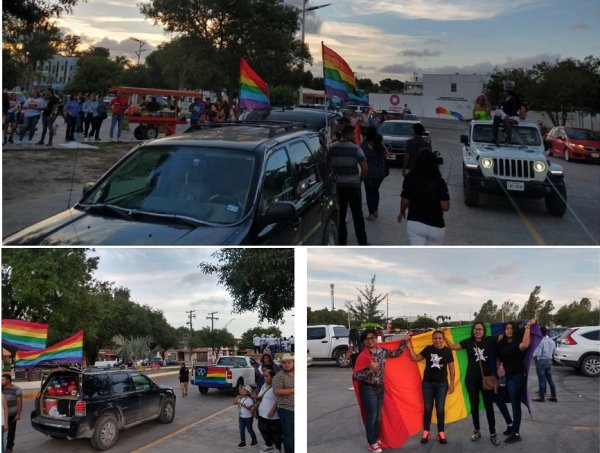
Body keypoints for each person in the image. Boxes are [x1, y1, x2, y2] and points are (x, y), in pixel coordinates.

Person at [443, 322, 500, 446]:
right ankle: (477, 430)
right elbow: (452, 346)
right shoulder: (468, 342)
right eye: (475, 329)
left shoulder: (490, 340)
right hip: (472, 379)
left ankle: (493, 433)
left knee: (489, 406)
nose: (478, 331)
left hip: (487, 379)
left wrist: (524, 327)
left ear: (484, 331)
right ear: (473, 331)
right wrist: (443, 334)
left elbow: (506, 335)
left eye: (480, 329)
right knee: (474, 406)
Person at [352, 328, 408, 453]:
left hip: (380, 388)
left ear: (376, 338)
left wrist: (404, 341)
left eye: (372, 338)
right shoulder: (363, 356)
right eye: (367, 339)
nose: (370, 340)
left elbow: (396, 354)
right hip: (368, 389)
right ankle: (371, 442)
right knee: (371, 417)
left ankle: (375, 438)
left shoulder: (382, 351)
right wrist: (370, 370)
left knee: (378, 417)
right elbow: (356, 376)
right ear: (363, 341)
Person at [405, 330, 455, 445]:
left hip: (442, 384)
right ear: (432, 339)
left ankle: (441, 433)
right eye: (435, 338)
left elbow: (452, 369)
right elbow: (416, 358)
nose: (437, 340)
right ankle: (426, 432)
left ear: (443, 339)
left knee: (440, 409)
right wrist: (408, 347)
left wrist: (452, 384)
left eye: (440, 338)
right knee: (427, 409)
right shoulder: (428, 349)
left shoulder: (447, 351)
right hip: (427, 384)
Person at [397, 149, 450, 245]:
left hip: (415, 223)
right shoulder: (439, 182)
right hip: (436, 225)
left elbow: (405, 201)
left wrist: (401, 212)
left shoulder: (410, 177)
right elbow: (445, 207)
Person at [495, 320, 535, 443]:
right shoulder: (502, 342)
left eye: (511, 328)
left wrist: (528, 327)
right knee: (498, 400)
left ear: (515, 330)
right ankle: (510, 424)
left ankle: (516, 433)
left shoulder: (518, 342)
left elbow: (526, 345)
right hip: (504, 377)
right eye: (507, 328)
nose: (509, 330)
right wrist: (498, 368)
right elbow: (497, 356)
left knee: (515, 405)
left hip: (516, 377)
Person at [329, 124, 368, 245]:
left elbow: (327, 165)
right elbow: (365, 168)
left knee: (341, 215)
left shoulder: (332, 148)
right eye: (353, 133)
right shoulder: (356, 149)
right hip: (354, 187)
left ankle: (342, 242)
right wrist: (360, 180)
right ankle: (362, 241)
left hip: (339, 187)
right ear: (350, 134)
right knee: (358, 215)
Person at [361, 126, 390, 221]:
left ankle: (371, 213)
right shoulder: (379, 143)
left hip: (369, 173)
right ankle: (376, 210)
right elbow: (386, 155)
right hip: (380, 173)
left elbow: (360, 156)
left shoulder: (364, 144)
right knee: (375, 191)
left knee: (369, 193)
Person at [256, 369, 283, 453]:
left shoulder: (275, 387)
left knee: (276, 432)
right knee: (263, 429)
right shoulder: (264, 385)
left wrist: (272, 411)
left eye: (267, 376)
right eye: (264, 376)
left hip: (272, 415)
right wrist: (257, 397)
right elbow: (261, 395)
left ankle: (278, 448)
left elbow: (278, 399)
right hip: (262, 414)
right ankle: (268, 445)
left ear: (273, 377)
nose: (265, 378)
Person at [272, 354, 294, 453]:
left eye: (289, 362)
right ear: (281, 364)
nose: (287, 365)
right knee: (288, 435)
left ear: (293, 363)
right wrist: (293, 389)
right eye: (284, 363)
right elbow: (276, 391)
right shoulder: (279, 376)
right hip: (287, 410)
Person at [532, 326, 558, 402]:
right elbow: (554, 352)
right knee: (550, 379)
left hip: (541, 361)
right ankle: (554, 396)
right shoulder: (552, 341)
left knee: (541, 380)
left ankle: (541, 397)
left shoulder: (540, 341)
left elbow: (537, 354)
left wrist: (533, 354)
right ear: (546, 332)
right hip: (549, 361)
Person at [2, 373, 22, 453]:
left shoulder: (17, 389)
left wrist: (18, 414)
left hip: (12, 414)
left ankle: (9, 447)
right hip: (3, 415)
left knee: (11, 431)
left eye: (3, 379)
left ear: (8, 380)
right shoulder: (1, 388)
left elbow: (20, 403)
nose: (1, 381)